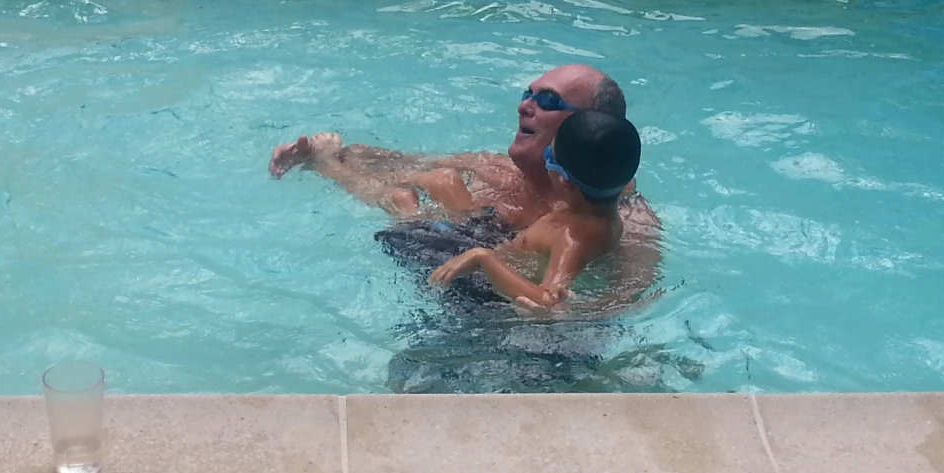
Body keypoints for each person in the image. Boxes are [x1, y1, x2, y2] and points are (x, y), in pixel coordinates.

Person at [268, 63, 660, 306]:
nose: (525, 106)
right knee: (430, 185)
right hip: (451, 261)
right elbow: (398, 161)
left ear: (588, 128)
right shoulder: (495, 169)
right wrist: (334, 153)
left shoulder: (626, 221)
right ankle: (323, 165)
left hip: (489, 308)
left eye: (548, 101)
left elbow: (619, 306)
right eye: (528, 94)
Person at [428, 111, 640, 313]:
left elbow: (550, 304)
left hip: (486, 292)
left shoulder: (574, 238)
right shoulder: (604, 208)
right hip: (498, 256)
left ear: (564, 181)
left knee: (433, 187)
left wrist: (482, 259)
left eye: (549, 155)